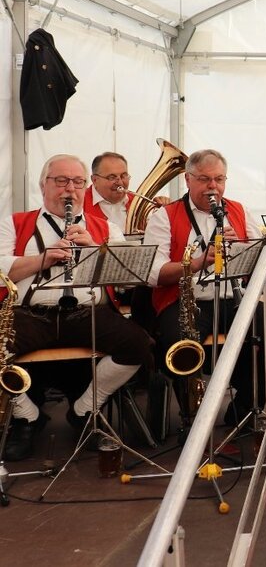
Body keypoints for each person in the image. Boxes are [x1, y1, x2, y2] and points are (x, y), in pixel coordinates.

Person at [0, 154, 155, 461]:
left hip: (87, 313)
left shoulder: (105, 227)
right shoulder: (14, 223)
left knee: (139, 345)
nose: (69, 189)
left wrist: (94, 252)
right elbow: (2, 268)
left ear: (86, 187)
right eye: (61, 181)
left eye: (77, 182)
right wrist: (42, 260)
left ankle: (85, 410)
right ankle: (27, 417)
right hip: (30, 313)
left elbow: (123, 278)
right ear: (44, 185)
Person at [143, 149, 266, 428]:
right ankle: (191, 415)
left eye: (219, 179)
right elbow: (154, 274)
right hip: (184, 300)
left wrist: (240, 249)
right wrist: (199, 262)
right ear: (188, 180)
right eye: (204, 179)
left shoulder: (238, 210)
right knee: (181, 342)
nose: (213, 187)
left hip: (232, 297)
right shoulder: (164, 216)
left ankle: (246, 405)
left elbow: (259, 261)